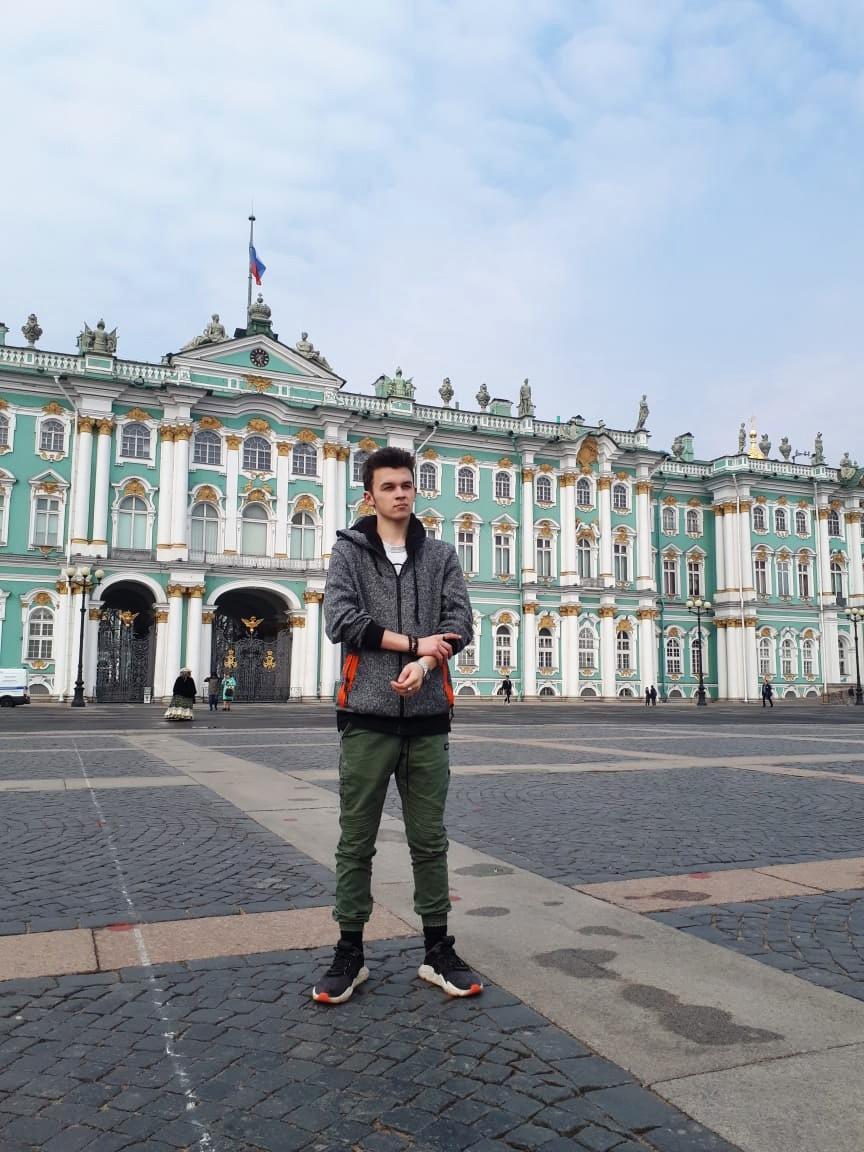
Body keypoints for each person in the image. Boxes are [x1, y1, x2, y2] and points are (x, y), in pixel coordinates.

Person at [316, 446, 479, 1005]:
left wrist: (428, 662)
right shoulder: (349, 552)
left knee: (429, 841)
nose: (400, 494)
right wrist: (411, 644)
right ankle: (349, 952)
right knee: (356, 841)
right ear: (370, 496)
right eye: (388, 486)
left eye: (407, 484)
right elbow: (341, 620)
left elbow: (460, 622)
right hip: (367, 717)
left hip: (428, 718)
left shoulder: (441, 556)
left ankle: (437, 949)